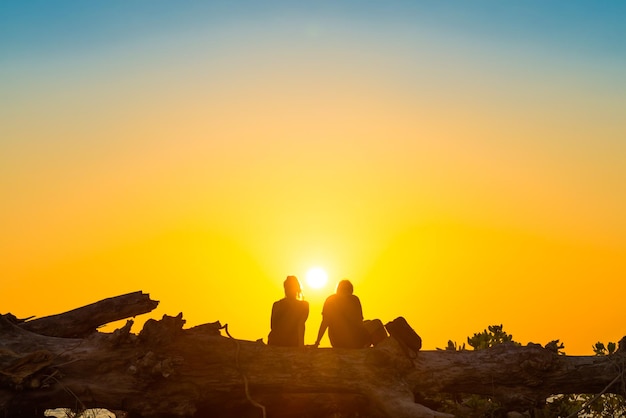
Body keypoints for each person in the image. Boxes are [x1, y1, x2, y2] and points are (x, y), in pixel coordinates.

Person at [314, 279, 369, 349]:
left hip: (336, 341)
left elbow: (325, 322)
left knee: (368, 323)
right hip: (353, 340)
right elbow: (359, 322)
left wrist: (317, 342)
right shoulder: (354, 299)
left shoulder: (330, 299)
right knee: (375, 323)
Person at [268, 275, 309, 347]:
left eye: (289, 287)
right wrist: (301, 346)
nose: (287, 290)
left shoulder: (277, 305)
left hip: (276, 343)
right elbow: (301, 325)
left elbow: (272, 326)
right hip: (288, 343)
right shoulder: (304, 305)